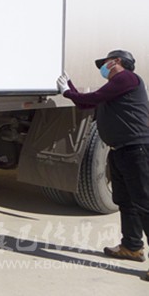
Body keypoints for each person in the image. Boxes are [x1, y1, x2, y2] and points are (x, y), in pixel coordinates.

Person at [58, 50, 149, 280]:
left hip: (136, 150)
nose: (103, 68)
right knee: (126, 201)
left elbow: (92, 98)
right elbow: (86, 104)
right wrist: (69, 86)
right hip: (120, 151)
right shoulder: (114, 89)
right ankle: (132, 247)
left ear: (117, 61)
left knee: (144, 204)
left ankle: (133, 246)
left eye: (105, 63)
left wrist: (67, 91)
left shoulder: (127, 78)